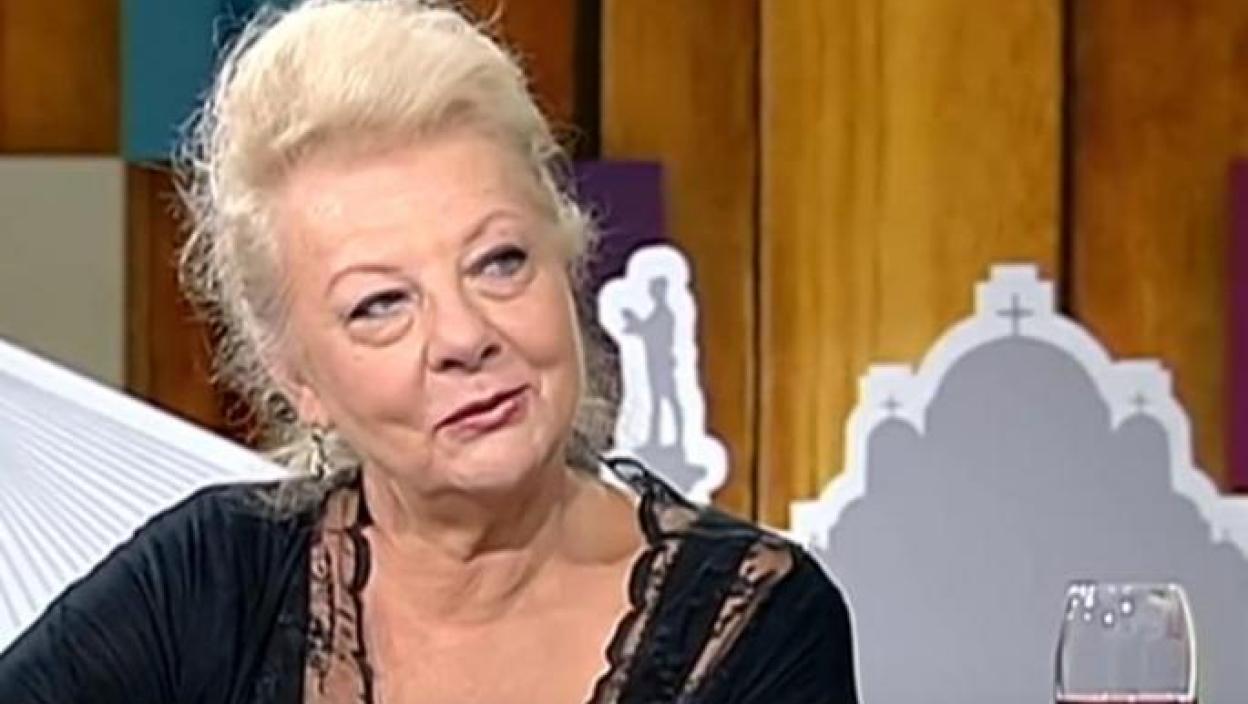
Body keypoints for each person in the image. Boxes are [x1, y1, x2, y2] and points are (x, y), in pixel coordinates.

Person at [0, 1, 858, 701]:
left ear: (567, 263)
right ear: (298, 379)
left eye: (499, 262)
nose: (463, 336)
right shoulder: (209, 584)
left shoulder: (757, 625)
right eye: (381, 305)